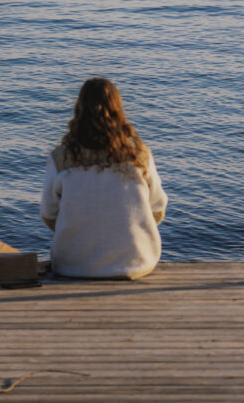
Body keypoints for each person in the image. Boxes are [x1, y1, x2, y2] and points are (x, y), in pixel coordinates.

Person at [41, 77, 168, 279]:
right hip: (136, 263)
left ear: (79, 109)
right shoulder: (140, 155)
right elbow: (157, 209)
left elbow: (48, 214)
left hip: (72, 266)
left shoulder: (60, 158)